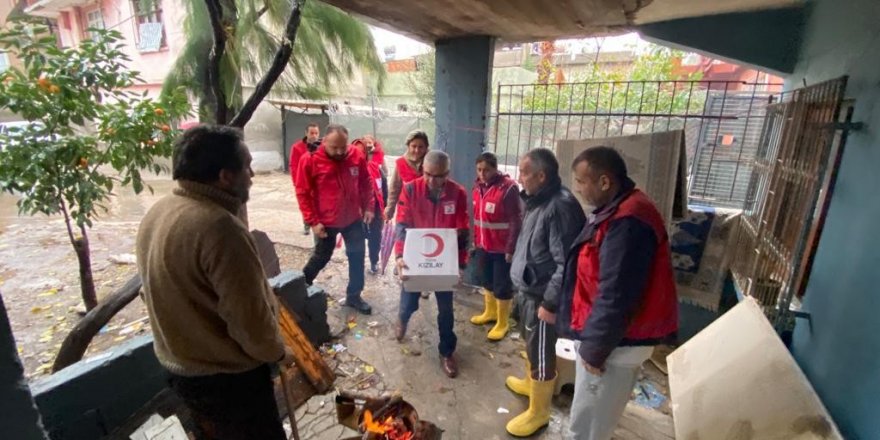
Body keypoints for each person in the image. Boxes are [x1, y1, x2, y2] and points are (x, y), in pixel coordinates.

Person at [136, 125, 289, 440]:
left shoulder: (159, 210)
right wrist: (278, 353)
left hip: (183, 372)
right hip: (229, 382)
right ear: (224, 176)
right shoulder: (220, 228)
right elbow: (250, 324)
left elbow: (148, 292)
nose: (252, 175)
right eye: (246, 166)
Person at [557, 146, 678, 440]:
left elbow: (617, 294)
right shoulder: (616, 210)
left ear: (604, 182)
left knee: (589, 424)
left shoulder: (628, 221)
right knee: (591, 416)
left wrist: (595, 350)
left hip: (614, 344)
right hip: (609, 338)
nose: (577, 189)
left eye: (581, 181)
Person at [505, 148, 586, 437]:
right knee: (530, 344)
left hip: (542, 296)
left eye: (524, 172)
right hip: (528, 289)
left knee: (541, 353)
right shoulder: (538, 200)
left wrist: (550, 303)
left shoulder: (559, 206)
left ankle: (539, 412)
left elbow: (567, 262)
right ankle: (531, 385)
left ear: (541, 175)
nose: (520, 177)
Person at [393, 150, 469, 378]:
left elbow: (463, 230)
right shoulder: (410, 189)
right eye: (428, 174)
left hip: (443, 261)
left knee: (446, 310)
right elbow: (402, 225)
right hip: (415, 257)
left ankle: (447, 351)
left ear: (447, 173)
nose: (432, 181)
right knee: (408, 302)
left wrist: (461, 265)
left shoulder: (458, 193)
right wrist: (399, 257)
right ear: (422, 170)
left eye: (439, 176)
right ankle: (402, 318)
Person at [296, 124, 375, 315]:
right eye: (334, 147)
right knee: (321, 257)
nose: (340, 151)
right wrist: (312, 221)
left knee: (357, 256)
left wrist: (369, 207)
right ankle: (297, 291)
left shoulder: (356, 155)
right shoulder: (311, 159)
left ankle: (354, 296)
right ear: (324, 141)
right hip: (325, 221)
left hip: (353, 219)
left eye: (343, 146)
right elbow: (303, 193)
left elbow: (366, 182)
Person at [469, 152, 523, 341]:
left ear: (495, 169)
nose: (482, 174)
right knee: (487, 282)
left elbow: (515, 220)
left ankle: (503, 322)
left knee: (502, 286)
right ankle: (490, 313)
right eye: (479, 169)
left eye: (487, 170)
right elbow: (477, 219)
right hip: (484, 246)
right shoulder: (477, 188)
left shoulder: (508, 188)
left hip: (501, 249)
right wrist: (476, 242)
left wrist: (510, 248)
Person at [353, 137, 388, 274]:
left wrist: (384, 207)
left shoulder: (376, 168)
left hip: (376, 210)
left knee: (375, 237)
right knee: (357, 237)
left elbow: (384, 188)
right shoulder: (350, 171)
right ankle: (357, 263)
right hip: (357, 212)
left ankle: (374, 261)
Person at [384, 130, 429, 220]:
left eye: (421, 147)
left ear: (426, 147)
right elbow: (394, 188)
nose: (417, 150)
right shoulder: (401, 163)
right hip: (406, 212)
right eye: (414, 146)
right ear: (408, 146)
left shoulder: (431, 162)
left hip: (427, 211)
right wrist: (390, 209)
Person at [289, 122, 321, 235]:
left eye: (316, 133)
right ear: (306, 133)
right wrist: (296, 182)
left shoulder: (322, 147)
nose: (314, 135)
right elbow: (293, 166)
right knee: (305, 202)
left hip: (317, 181)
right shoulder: (297, 147)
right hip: (303, 180)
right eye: (312, 133)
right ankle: (307, 224)